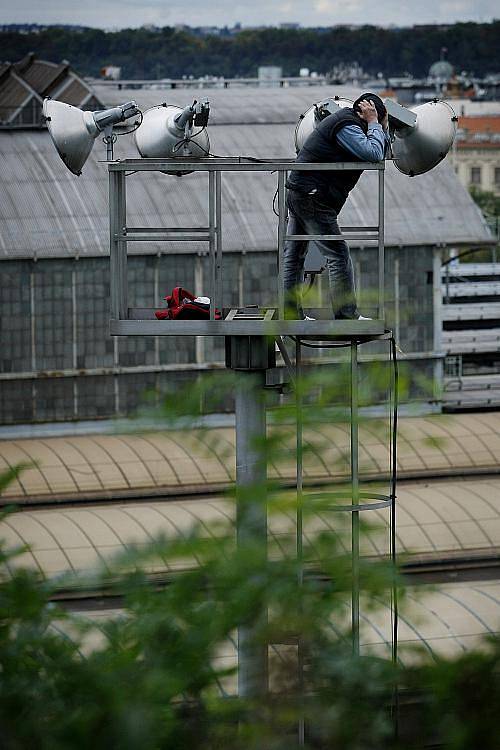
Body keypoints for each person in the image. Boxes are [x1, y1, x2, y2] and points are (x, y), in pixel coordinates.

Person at [283, 93, 389, 320]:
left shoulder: (347, 122)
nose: (381, 127)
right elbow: (373, 153)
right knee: (338, 254)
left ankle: (291, 314)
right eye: (380, 121)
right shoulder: (347, 125)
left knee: (295, 254)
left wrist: (378, 125)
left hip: (303, 192)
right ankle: (346, 315)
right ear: (367, 113)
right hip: (313, 198)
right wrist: (374, 123)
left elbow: (380, 147)